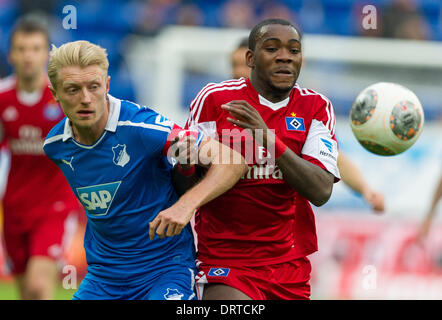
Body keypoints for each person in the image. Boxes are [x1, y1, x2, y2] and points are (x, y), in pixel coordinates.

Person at [43, 40, 247, 300]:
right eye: (72, 89)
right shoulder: (55, 146)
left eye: (93, 87)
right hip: (104, 277)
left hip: (163, 270)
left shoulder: (143, 128)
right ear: (55, 93)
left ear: (106, 85)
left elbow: (232, 160)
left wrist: (185, 206)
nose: (85, 99)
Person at [185, 18, 340, 300]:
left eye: (294, 50)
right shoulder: (214, 99)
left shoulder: (315, 106)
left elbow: (320, 191)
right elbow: (182, 183)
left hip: (288, 265)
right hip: (224, 260)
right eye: (272, 48)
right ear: (251, 58)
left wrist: (268, 138)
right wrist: (186, 161)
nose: (285, 56)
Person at [230, 37, 385, 212]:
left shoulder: (309, 109)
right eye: (235, 65)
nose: (239, 71)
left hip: (291, 229)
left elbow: (337, 159)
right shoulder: (219, 107)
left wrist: (366, 189)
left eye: (244, 65)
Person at [0, 17, 81, 300]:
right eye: (21, 49)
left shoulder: (63, 99)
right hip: (14, 207)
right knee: (24, 292)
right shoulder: (3, 98)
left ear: (47, 54)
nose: (28, 56)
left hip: (54, 207)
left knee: (38, 287)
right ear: (10, 54)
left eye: (35, 48)